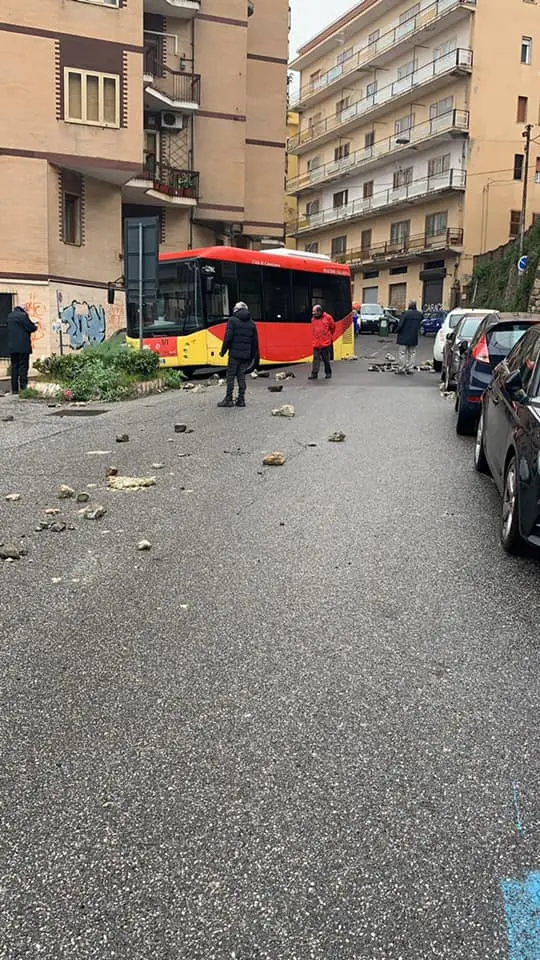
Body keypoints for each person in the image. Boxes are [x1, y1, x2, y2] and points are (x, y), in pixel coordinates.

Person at [218, 301, 259, 407]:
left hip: (234, 354)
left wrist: (223, 351)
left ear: (236, 310)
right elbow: (255, 342)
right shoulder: (252, 323)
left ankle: (229, 399)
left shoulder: (232, 321)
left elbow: (228, 338)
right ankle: (241, 399)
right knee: (241, 376)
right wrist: (252, 356)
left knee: (230, 376)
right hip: (246, 355)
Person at [7, 305, 37, 394]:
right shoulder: (23, 316)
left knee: (14, 367)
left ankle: (14, 389)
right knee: (23, 367)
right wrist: (35, 325)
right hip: (23, 347)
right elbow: (31, 327)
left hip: (12, 347)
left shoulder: (10, 316)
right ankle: (23, 388)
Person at [308, 304, 336, 380]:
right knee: (315, 359)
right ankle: (314, 374)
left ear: (319, 311)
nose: (313, 313)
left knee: (326, 359)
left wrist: (328, 337)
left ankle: (328, 373)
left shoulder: (328, 318)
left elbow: (333, 327)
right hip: (316, 343)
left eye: (314, 311)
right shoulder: (313, 319)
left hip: (325, 343)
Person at [395, 300, 423, 375]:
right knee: (412, 353)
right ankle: (410, 369)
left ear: (409, 305)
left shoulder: (405, 314)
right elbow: (421, 321)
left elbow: (400, 325)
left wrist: (396, 331)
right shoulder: (419, 314)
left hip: (403, 337)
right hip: (413, 337)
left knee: (402, 353)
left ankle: (401, 368)